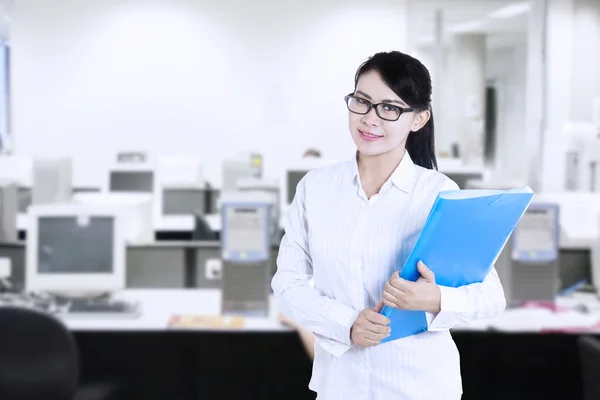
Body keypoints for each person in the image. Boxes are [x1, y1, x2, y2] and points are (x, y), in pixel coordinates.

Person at [271, 50, 506, 400]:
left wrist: (436, 298)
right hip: (341, 385)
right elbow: (287, 283)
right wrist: (347, 323)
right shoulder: (316, 188)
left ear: (418, 119)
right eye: (362, 102)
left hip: (419, 385)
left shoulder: (438, 194)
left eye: (390, 108)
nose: (370, 118)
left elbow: (490, 296)